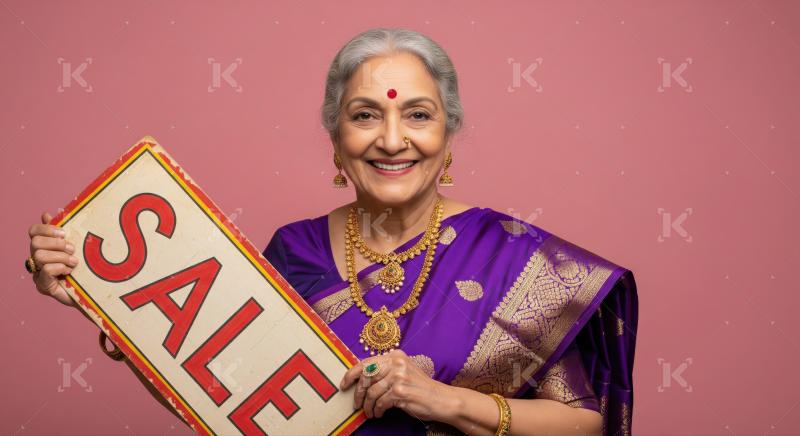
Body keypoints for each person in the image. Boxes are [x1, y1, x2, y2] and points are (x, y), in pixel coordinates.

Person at [26, 28, 637, 436]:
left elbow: (585, 419)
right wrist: (103, 302)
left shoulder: (515, 258)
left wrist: (445, 400)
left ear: (448, 135)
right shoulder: (293, 251)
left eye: (417, 115)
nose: (392, 140)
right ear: (336, 140)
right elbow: (222, 403)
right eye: (365, 114)